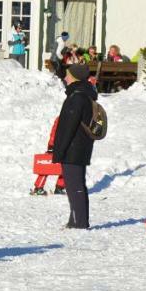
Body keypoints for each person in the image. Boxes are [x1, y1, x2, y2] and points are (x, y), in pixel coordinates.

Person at [50, 63, 97, 229]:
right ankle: (75, 220)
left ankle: (80, 222)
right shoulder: (83, 94)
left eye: (67, 75)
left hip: (74, 148)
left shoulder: (77, 97)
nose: (65, 78)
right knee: (74, 185)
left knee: (75, 186)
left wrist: (59, 150)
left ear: (75, 77)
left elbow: (68, 127)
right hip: (79, 147)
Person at [31, 118, 65, 196]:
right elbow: (54, 131)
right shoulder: (61, 118)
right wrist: (51, 146)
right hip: (56, 146)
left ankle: (59, 188)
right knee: (47, 167)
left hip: (66, 146)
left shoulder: (74, 117)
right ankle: (38, 188)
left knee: (66, 167)